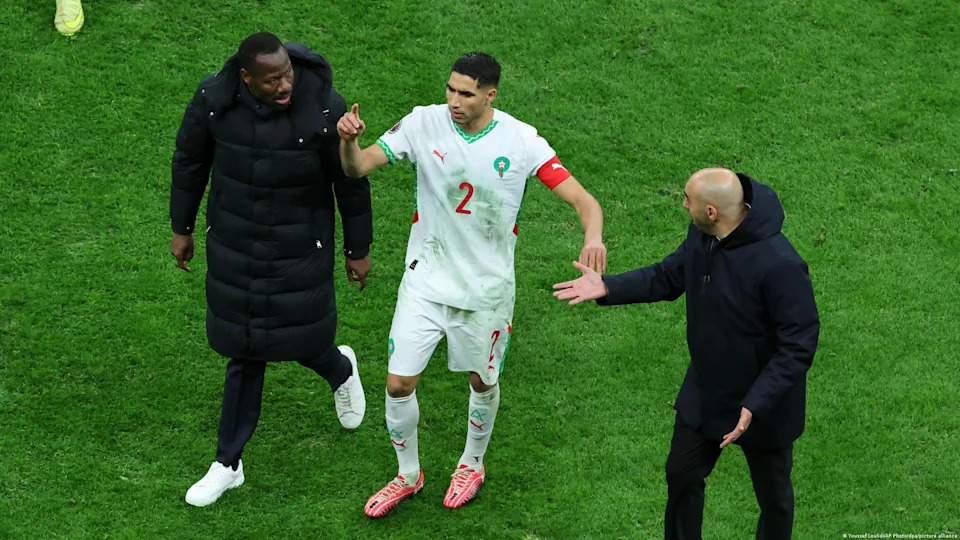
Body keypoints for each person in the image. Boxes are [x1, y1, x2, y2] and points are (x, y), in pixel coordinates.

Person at [337, 52, 607, 517]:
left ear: (490, 94)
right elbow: (357, 167)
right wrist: (347, 142)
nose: (454, 101)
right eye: (450, 89)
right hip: (425, 281)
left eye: (465, 93)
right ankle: (408, 474)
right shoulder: (423, 123)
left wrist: (594, 238)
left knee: (482, 381)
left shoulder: (522, 142)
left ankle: (472, 463)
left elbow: (584, 200)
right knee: (399, 383)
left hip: (486, 292)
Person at [553, 168, 819, 539]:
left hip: (762, 405)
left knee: (773, 498)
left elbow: (799, 343)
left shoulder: (780, 265)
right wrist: (608, 287)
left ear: (712, 212)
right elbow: (668, 276)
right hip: (707, 390)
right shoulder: (704, 236)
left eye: (688, 199)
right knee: (682, 476)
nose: (683, 204)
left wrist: (757, 402)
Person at [169, 32, 373, 507]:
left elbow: (349, 178)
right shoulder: (213, 99)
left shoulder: (323, 106)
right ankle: (228, 463)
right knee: (246, 348)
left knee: (303, 339)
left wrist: (357, 249)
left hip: (300, 245)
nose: (284, 85)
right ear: (246, 78)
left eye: (287, 74)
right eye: (272, 79)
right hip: (236, 245)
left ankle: (341, 370)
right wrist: (182, 227)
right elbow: (190, 160)